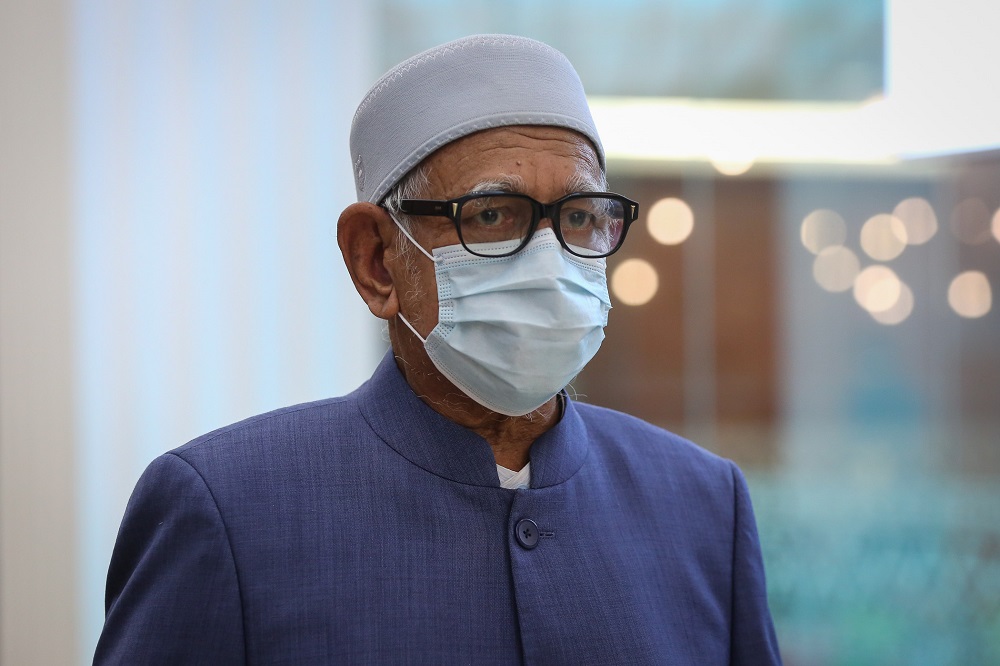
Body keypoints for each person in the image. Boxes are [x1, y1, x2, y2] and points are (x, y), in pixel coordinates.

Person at [94, 34, 781, 665]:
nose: (548, 259)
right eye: (490, 215)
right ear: (377, 262)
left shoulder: (700, 505)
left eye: (579, 217)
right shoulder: (229, 510)